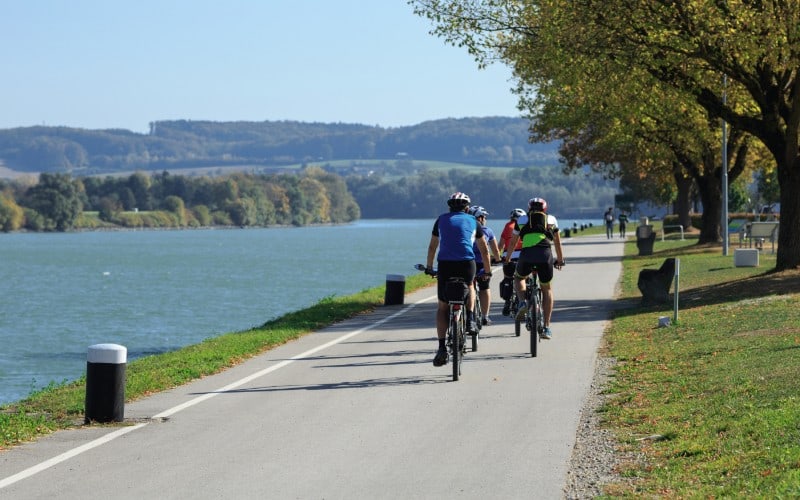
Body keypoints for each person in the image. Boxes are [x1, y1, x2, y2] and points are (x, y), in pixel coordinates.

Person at [426, 192, 492, 366]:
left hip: (446, 265)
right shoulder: (474, 222)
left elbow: (433, 246)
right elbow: (484, 250)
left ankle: (441, 347)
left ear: (449, 207)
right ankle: (470, 318)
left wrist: (429, 267)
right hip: (466, 263)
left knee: (442, 307)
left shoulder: (440, 220)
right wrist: (488, 270)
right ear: (467, 208)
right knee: (470, 284)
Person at [504, 197, 565, 339]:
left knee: (519, 277)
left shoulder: (522, 220)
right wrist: (560, 260)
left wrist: (507, 259)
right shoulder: (551, 220)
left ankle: (522, 302)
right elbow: (557, 242)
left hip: (527, 255)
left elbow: (513, 242)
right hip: (545, 255)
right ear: (545, 209)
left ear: (529, 208)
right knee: (547, 289)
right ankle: (547, 327)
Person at [468, 205, 501, 326]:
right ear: (480, 218)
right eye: (484, 217)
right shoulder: (488, 231)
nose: (485, 219)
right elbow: (495, 250)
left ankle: (468, 314)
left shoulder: (466, 229)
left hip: (467, 263)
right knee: (484, 287)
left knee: (468, 286)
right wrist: (497, 259)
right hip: (482, 263)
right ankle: (485, 316)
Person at [498, 208, 526, 316]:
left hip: (508, 257)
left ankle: (507, 303)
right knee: (523, 277)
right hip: (523, 256)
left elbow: (500, 245)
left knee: (508, 278)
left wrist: (498, 256)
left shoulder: (508, 226)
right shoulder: (524, 226)